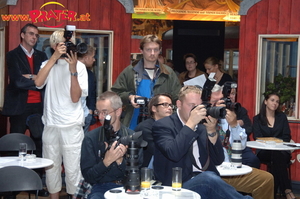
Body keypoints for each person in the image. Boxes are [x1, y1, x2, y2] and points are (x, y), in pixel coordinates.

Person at [152, 85, 252, 199]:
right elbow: (174, 153)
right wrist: (190, 124)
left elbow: (218, 160)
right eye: (191, 105)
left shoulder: (202, 125)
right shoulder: (163, 125)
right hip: (178, 186)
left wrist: (212, 132)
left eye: (198, 106)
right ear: (179, 104)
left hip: (207, 180)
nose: (196, 110)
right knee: (208, 179)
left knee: (209, 179)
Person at [35, 29, 88, 199]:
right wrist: (54, 57)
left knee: (73, 170)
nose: (64, 48)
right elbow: (38, 83)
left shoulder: (79, 67)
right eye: (60, 45)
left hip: (72, 125)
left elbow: (75, 98)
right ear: (53, 46)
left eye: (67, 44)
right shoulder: (47, 64)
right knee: (51, 169)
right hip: (51, 125)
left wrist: (72, 70)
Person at [1, 23, 49, 197]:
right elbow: (17, 82)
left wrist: (31, 77)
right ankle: (11, 187)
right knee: (15, 146)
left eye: (36, 35)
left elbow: (45, 81)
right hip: (19, 108)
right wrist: (37, 79)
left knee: (39, 146)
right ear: (22, 35)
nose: (34, 38)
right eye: (30, 34)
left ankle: (36, 185)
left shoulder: (42, 55)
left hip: (38, 107)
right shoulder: (12, 55)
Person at [209, 83, 274, 199]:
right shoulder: (202, 120)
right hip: (212, 172)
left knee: (267, 178)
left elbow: (242, 144)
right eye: (215, 102)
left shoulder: (226, 118)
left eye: (222, 101)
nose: (220, 105)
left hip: (229, 168)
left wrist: (234, 125)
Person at [111, 34, 181, 130]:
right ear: (141, 51)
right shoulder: (130, 72)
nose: (152, 53)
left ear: (160, 51)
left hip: (163, 125)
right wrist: (129, 97)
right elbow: (115, 93)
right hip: (134, 122)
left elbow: (178, 99)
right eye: (148, 50)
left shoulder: (168, 73)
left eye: (156, 50)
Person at [80, 91, 141, 199]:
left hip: (127, 186)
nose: (100, 117)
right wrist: (106, 161)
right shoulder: (91, 138)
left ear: (118, 112)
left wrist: (121, 161)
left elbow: (139, 173)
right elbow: (88, 177)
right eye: (98, 112)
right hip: (101, 187)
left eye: (105, 112)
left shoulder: (132, 137)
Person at [253, 93, 295, 199]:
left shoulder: (282, 117)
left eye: (277, 101)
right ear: (265, 102)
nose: (275, 103)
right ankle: (287, 190)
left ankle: (272, 194)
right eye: (272, 100)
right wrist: (270, 143)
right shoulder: (257, 119)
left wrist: (276, 143)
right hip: (264, 151)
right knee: (276, 158)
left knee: (276, 157)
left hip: (281, 150)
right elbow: (257, 137)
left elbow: (286, 136)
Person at [135, 93, 174, 168]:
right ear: (154, 108)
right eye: (165, 104)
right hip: (148, 173)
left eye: (170, 105)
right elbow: (158, 151)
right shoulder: (145, 128)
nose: (169, 108)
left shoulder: (173, 126)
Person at [228, 85, 260, 168]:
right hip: (223, 146)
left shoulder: (240, 110)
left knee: (253, 160)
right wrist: (239, 123)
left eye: (233, 94)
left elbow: (249, 128)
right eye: (229, 93)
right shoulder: (217, 110)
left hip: (240, 145)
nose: (231, 96)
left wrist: (235, 124)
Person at [77, 45, 97, 133]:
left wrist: (90, 111)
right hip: (72, 115)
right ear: (85, 57)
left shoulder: (90, 74)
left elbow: (92, 94)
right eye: (92, 57)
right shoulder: (71, 70)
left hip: (86, 113)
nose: (94, 59)